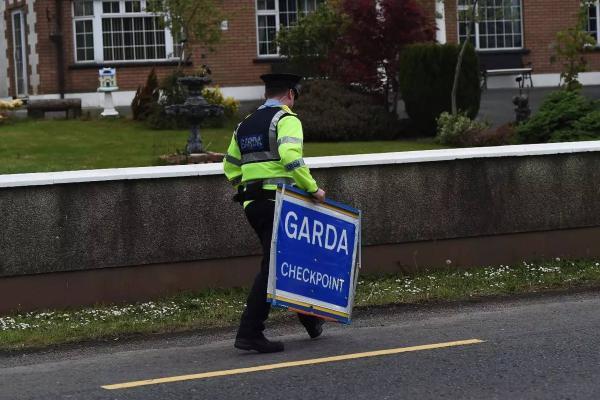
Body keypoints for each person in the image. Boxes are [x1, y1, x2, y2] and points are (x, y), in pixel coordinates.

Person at [223, 73, 326, 353]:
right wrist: (313, 189)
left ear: (266, 93)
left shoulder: (244, 124)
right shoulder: (286, 119)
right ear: (290, 94)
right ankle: (250, 332)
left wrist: (246, 186)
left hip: (253, 205)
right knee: (273, 267)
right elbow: (291, 157)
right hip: (278, 203)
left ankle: (310, 320)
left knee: (288, 259)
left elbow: (230, 166)